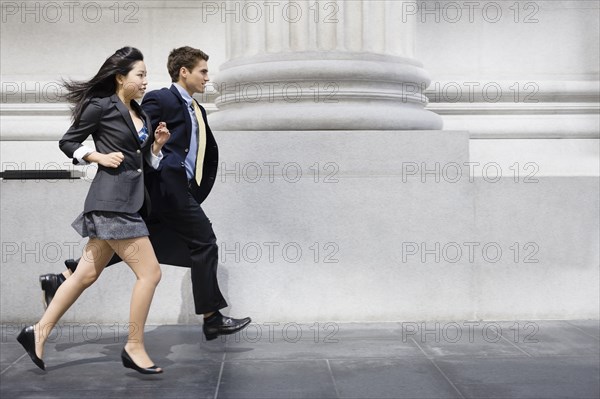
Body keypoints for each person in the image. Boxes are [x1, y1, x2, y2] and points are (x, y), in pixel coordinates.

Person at [39, 46, 251, 341]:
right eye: (203, 71)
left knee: (128, 244)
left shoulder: (198, 109)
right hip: (163, 187)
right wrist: (102, 156)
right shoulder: (160, 98)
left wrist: (157, 150)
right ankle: (211, 318)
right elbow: (131, 133)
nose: (207, 78)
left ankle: (62, 279)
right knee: (204, 241)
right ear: (184, 72)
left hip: (172, 190)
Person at [17, 47, 170, 374]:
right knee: (150, 273)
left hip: (129, 202)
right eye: (140, 75)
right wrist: (96, 157)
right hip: (111, 203)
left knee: (85, 274)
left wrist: (155, 147)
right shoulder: (101, 107)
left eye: (146, 75)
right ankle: (134, 346)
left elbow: (142, 164)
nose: (146, 81)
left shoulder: (141, 114)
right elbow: (68, 141)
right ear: (120, 77)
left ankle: (37, 332)